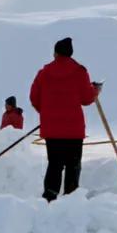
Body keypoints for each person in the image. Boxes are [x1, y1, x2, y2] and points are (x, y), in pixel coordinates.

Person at [30, 37, 101, 202]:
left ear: (55, 53)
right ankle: (71, 199)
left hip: (52, 130)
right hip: (73, 130)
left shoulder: (44, 73)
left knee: (54, 164)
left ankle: (49, 197)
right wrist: (95, 90)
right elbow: (86, 98)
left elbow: (34, 97)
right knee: (73, 165)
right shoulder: (79, 72)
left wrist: (47, 113)